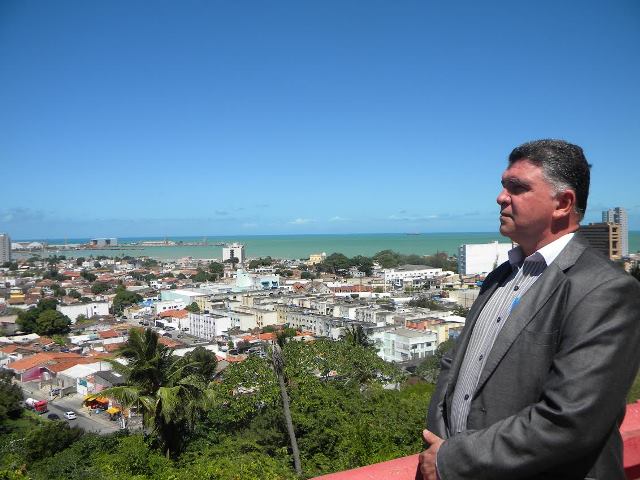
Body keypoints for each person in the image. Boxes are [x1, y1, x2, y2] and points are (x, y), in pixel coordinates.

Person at [418, 139, 640, 480]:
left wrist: (452, 459)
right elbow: (455, 366)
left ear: (563, 203)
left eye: (517, 187)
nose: (501, 197)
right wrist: (439, 444)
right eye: (503, 185)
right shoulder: (501, 275)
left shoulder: (605, 289)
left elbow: (571, 419)